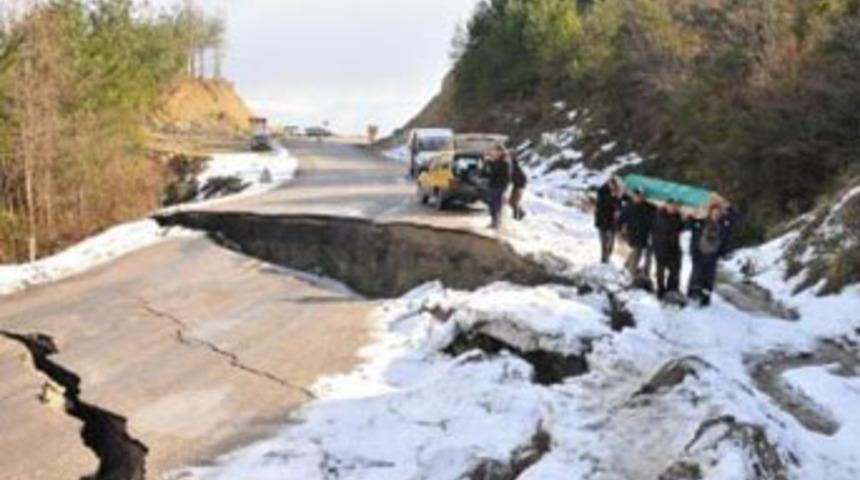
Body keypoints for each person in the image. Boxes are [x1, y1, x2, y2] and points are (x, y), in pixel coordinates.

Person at [687, 203, 734, 307]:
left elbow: (735, 218)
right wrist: (691, 216)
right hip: (699, 253)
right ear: (710, 213)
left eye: (717, 213)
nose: (715, 215)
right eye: (714, 213)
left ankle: (705, 298)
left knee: (709, 278)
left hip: (713, 255)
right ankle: (693, 296)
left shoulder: (724, 224)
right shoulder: (702, 221)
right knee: (696, 275)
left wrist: (729, 209)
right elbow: (689, 225)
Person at [651, 199, 685, 300]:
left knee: (675, 269)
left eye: (676, 206)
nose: (674, 208)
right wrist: (681, 220)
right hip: (660, 247)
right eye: (672, 206)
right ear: (666, 205)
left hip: (674, 247)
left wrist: (687, 220)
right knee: (660, 271)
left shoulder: (677, 216)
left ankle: (672, 289)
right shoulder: (659, 215)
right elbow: (668, 226)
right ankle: (660, 291)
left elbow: (681, 228)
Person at [619, 188, 656, 280]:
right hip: (634, 235)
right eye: (638, 196)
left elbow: (657, 216)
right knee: (637, 253)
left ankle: (630, 268)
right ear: (634, 196)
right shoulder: (628, 207)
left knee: (648, 256)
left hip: (648, 234)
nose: (640, 198)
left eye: (642, 196)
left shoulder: (650, 207)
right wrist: (620, 232)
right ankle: (631, 274)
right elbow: (620, 220)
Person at [483, 145, 512, 229]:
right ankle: (494, 221)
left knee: (496, 205)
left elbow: (497, 171)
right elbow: (491, 171)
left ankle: (496, 222)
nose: (494, 153)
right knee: (492, 204)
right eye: (494, 151)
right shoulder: (498, 160)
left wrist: (490, 162)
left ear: (501, 152)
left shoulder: (504, 161)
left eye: (496, 151)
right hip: (494, 185)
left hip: (499, 186)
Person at [594, 178, 623, 263]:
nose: (612, 186)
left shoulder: (616, 191)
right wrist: (614, 197)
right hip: (602, 220)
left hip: (612, 221)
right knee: (604, 242)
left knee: (611, 243)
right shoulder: (601, 191)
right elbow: (603, 204)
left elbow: (619, 205)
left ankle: (607, 257)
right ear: (608, 183)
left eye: (614, 184)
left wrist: (618, 200)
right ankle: (604, 260)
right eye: (611, 184)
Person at [509, 156, 527, 221]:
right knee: (511, 201)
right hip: (517, 185)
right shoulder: (514, 167)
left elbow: (511, 177)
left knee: (513, 202)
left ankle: (519, 215)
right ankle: (518, 214)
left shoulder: (513, 167)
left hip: (519, 186)